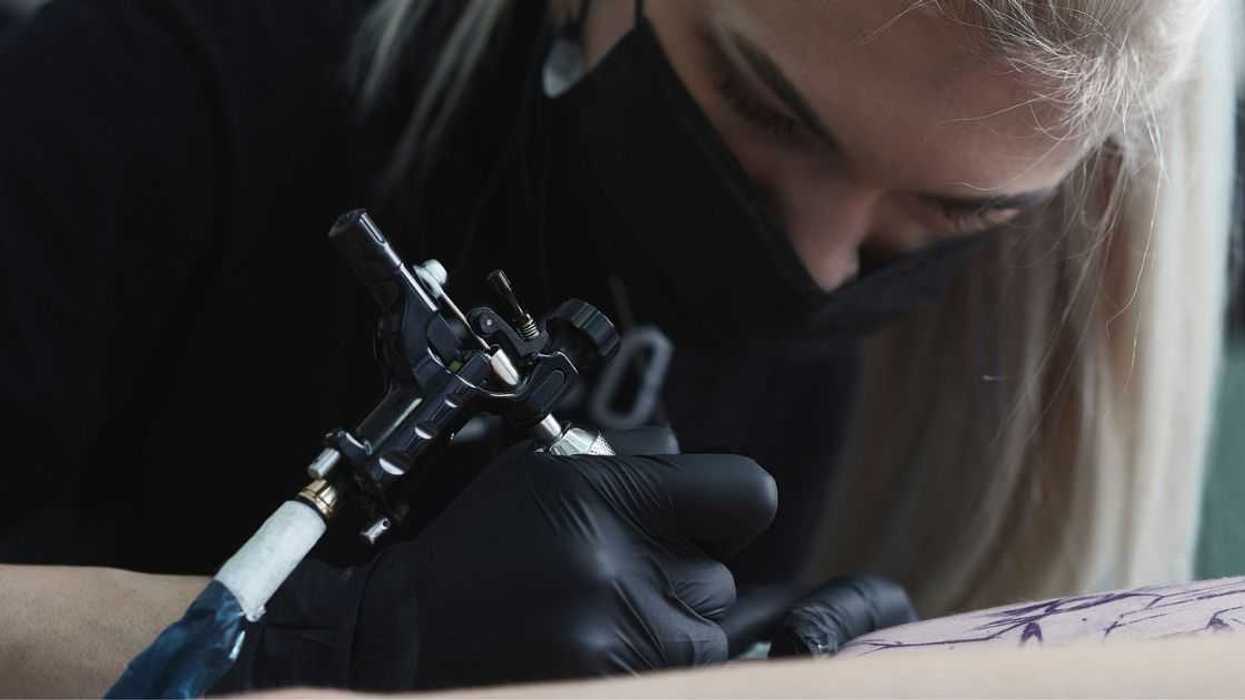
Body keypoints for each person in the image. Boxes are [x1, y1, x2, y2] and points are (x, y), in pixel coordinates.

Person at [0, 0, 1236, 695]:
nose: (812, 267)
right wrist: (315, 641)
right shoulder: (165, 83)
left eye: (948, 217)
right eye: (760, 110)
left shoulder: (1074, 287)